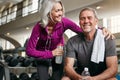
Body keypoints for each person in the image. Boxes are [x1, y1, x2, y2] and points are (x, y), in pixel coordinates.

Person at [26, 0, 114, 80]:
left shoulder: (64, 22)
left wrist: (101, 29)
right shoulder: (38, 27)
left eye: (61, 10)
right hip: (42, 54)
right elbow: (29, 51)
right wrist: (51, 53)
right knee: (43, 78)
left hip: (59, 53)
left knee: (57, 77)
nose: (61, 13)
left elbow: (82, 29)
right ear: (48, 12)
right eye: (57, 11)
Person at [62, 7, 118, 80]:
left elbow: (113, 68)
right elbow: (68, 66)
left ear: (96, 21)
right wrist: (79, 78)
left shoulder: (107, 38)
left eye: (89, 18)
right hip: (81, 76)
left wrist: (93, 79)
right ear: (79, 22)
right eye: (83, 18)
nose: (86, 21)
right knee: (65, 79)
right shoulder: (72, 41)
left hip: (101, 77)